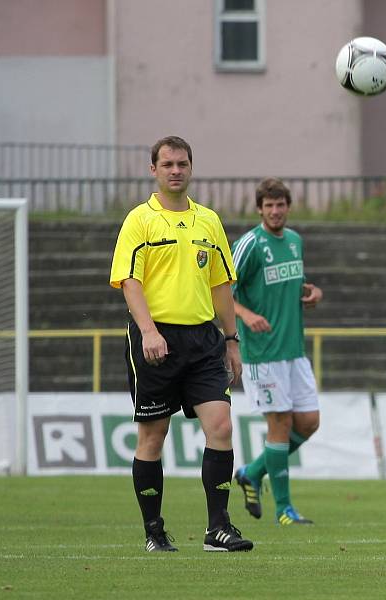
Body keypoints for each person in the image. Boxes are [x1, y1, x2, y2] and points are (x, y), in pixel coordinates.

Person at [109, 135, 252, 552]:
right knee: (153, 436)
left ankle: (218, 529)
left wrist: (231, 340)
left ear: (191, 168)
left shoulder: (208, 220)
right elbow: (129, 281)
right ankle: (154, 531)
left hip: (204, 339)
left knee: (222, 426)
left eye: (182, 164)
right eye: (168, 164)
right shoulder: (140, 219)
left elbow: (222, 284)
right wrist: (149, 331)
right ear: (153, 169)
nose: (176, 170)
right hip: (156, 339)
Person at [231, 177, 323, 526]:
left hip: (293, 350)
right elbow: (221, 290)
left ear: (287, 206)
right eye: (268, 205)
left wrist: (310, 294)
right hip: (263, 353)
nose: (274, 211)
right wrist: (245, 314)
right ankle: (284, 509)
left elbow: (288, 285)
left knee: (309, 423)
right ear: (259, 209)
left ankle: (253, 473)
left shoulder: (295, 241)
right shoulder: (249, 244)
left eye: (280, 204)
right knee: (281, 424)